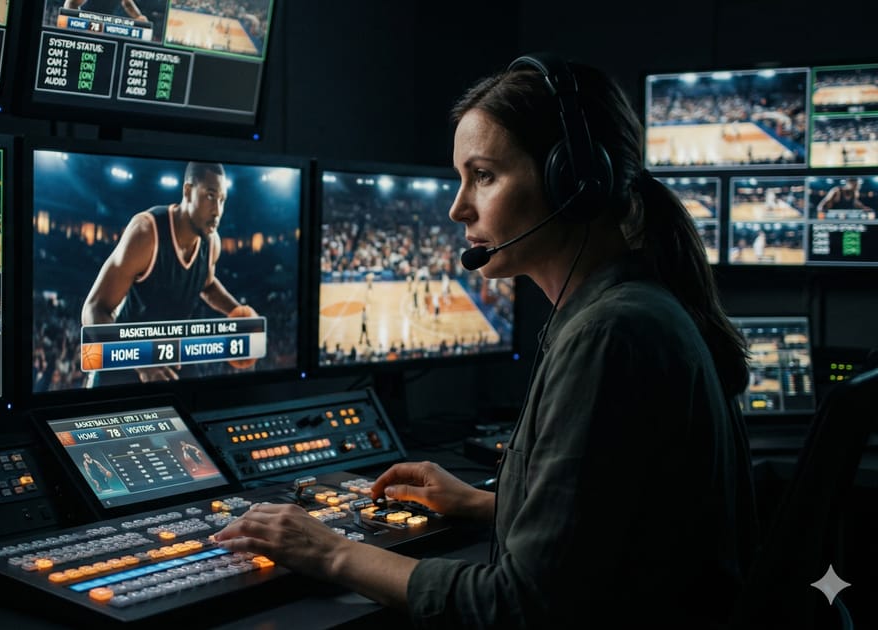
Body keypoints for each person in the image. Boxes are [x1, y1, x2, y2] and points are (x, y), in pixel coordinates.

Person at [213, 55, 758, 628]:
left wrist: (332, 551)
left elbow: (521, 605)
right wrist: (482, 504)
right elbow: (619, 527)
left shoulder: (610, 334)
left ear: (571, 182)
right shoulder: (627, 309)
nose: (457, 207)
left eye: (485, 175)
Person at [81, 161, 250, 385]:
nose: (217, 210)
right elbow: (93, 309)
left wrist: (239, 312)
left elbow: (206, 284)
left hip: (172, 358)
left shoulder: (212, 243)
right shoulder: (146, 234)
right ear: (188, 191)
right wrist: (142, 359)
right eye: (210, 196)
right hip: (125, 363)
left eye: (222, 200)